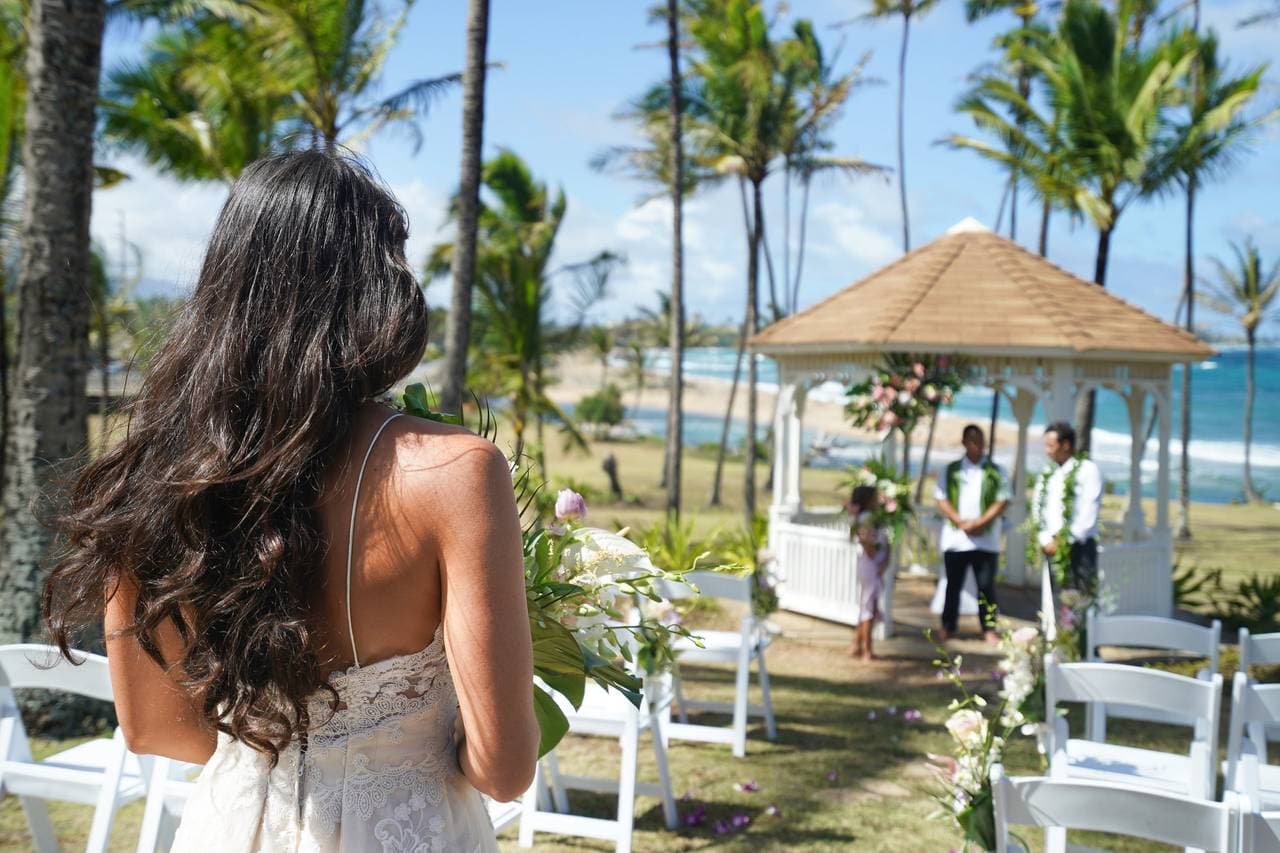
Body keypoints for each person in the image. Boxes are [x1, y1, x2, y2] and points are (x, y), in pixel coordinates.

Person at [42, 151, 539, 851]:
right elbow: (504, 767)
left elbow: (156, 727)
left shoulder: (155, 476)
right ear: (376, 289)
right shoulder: (456, 472)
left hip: (230, 826)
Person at [934, 424, 1010, 643]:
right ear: (964, 442)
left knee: (986, 586)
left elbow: (1002, 499)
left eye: (980, 440)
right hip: (957, 539)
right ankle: (948, 625)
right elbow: (941, 497)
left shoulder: (996, 471)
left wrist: (980, 522)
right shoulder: (951, 470)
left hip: (985, 539)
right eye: (972, 440)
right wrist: (960, 521)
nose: (976, 445)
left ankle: (988, 627)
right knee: (953, 585)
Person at [1031, 420, 1104, 594]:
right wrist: (1045, 539)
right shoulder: (1048, 473)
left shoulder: (1088, 470)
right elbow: (1037, 507)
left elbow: (1088, 513)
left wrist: (1063, 541)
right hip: (1051, 545)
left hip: (1080, 547)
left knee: (1081, 602)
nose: (1047, 450)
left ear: (1065, 445)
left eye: (1051, 445)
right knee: (1056, 600)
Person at [850, 512, 890, 661]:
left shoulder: (881, 523)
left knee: (870, 607)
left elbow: (887, 546)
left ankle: (858, 645)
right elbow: (870, 549)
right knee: (868, 608)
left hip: (876, 569)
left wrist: (885, 562)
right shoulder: (865, 521)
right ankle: (867, 650)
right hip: (869, 569)